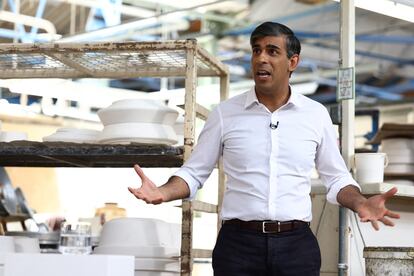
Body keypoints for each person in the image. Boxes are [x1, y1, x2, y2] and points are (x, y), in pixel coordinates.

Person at [128, 22, 400, 276]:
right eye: (256, 51)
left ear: (293, 62)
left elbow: (337, 178)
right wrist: (163, 191)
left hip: (296, 247)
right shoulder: (225, 114)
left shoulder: (315, 115)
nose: (261, 58)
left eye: (272, 51)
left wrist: (361, 202)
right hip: (238, 247)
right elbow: (194, 172)